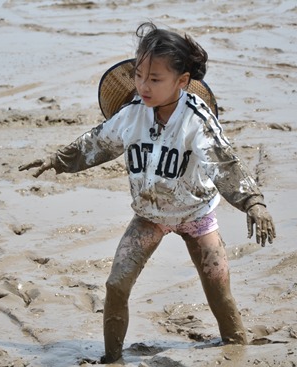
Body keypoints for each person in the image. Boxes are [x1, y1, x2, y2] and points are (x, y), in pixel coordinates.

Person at [19, 21, 276, 364]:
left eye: (155, 80)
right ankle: (112, 358)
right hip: (149, 216)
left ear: (182, 81)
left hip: (195, 215)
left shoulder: (196, 120)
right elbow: (95, 143)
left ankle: (235, 346)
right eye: (139, 76)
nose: (143, 85)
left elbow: (224, 165)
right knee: (115, 285)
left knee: (219, 288)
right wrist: (57, 159)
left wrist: (254, 204)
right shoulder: (131, 115)